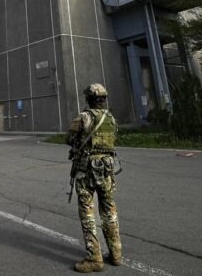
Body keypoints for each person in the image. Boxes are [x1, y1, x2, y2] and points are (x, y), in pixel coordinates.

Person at [66, 83, 122, 272]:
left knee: (87, 213)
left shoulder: (83, 117)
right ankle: (116, 254)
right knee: (109, 211)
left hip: (87, 170)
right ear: (104, 99)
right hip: (107, 169)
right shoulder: (111, 118)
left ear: (89, 99)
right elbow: (114, 138)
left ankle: (94, 259)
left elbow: (69, 138)